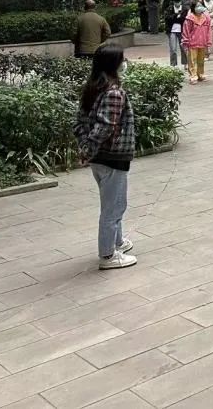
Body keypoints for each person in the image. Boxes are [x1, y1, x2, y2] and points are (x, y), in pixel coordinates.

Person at [75, 44, 136, 270]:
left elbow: (79, 123)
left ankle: (117, 242)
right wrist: (87, 150)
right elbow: (105, 127)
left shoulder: (93, 88)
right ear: (113, 64)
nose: (124, 63)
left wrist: (85, 148)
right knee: (114, 207)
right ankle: (108, 255)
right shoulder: (113, 93)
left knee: (112, 203)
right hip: (112, 157)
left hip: (100, 158)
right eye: (122, 59)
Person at [181, 0, 213, 83]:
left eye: (200, 5)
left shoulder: (205, 18)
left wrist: (208, 40)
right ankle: (193, 75)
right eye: (197, 6)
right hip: (192, 43)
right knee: (192, 60)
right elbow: (186, 31)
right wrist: (186, 41)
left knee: (201, 60)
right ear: (193, 8)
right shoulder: (190, 18)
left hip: (202, 42)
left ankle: (200, 74)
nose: (199, 7)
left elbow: (208, 30)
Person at [163, 0, 187, 68]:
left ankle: (185, 63)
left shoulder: (184, 9)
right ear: (173, 2)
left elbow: (184, 19)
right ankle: (173, 64)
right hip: (172, 31)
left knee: (183, 47)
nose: (177, 3)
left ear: (181, 1)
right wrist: (176, 16)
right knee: (173, 48)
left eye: (178, 2)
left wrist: (176, 18)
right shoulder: (169, 8)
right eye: (176, 2)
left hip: (181, 30)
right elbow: (167, 19)